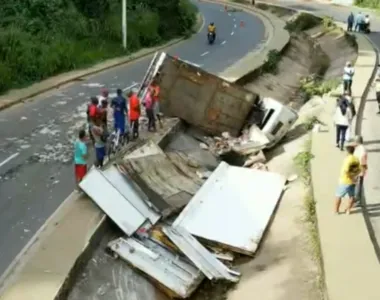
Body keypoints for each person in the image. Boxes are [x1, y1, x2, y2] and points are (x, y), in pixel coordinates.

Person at [335, 143, 361, 215]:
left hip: (345, 180)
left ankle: (336, 211)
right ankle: (348, 210)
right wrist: (354, 178)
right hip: (353, 181)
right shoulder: (356, 159)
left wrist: (351, 178)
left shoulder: (348, 159)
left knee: (338, 196)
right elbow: (358, 170)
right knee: (351, 196)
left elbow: (346, 171)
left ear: (348, 152)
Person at [353, 135, 367, 206]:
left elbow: (363, 161)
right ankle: (356, 199)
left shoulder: (361, 149)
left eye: (355, 141)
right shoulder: (358, 148)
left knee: (358, 186)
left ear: (357, 141)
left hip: (359, 170)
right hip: (357, 169)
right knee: (356, 185)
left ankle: (357, 200)